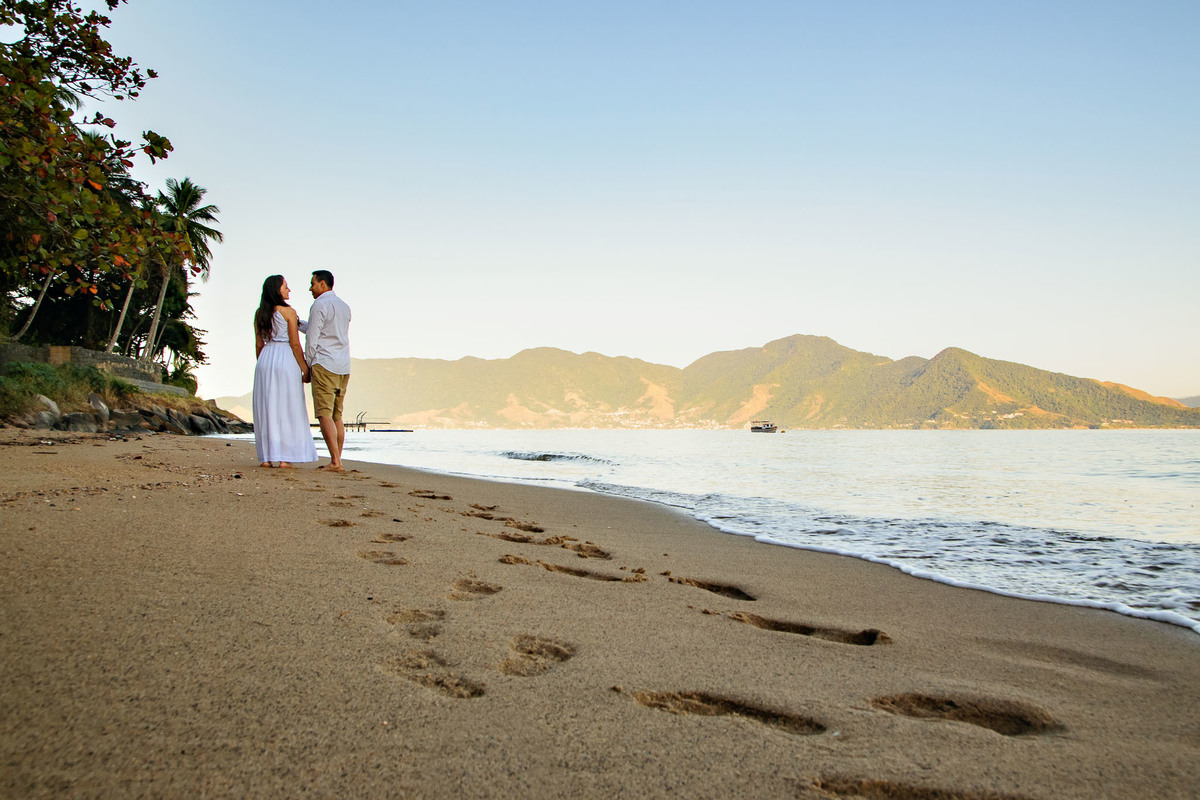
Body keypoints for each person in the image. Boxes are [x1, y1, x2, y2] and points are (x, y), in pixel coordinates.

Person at [252, 275, 318, 468]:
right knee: (287, 406)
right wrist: (305, 369)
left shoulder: (259, 313)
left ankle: (266, 458)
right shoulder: (288, 312)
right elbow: (295, 344)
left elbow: (258, 344)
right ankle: (284, 458)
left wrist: (264, 363)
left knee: (267, 407)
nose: (289, 290)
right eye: (286, 287)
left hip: (265, 359)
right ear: (277, 290)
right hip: (285, 357)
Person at [301, 269, 352, 471]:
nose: (310, 288)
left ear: (323, 284)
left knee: (324, 413)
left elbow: (312, 339)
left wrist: (309, 364)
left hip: (324, 363)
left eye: (312, 284)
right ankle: (337, 459)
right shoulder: (344, 307)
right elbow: (327, 330)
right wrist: (299, 324)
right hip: (343, 365)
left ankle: (335, 462)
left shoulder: (319, 304)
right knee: (337, 415)